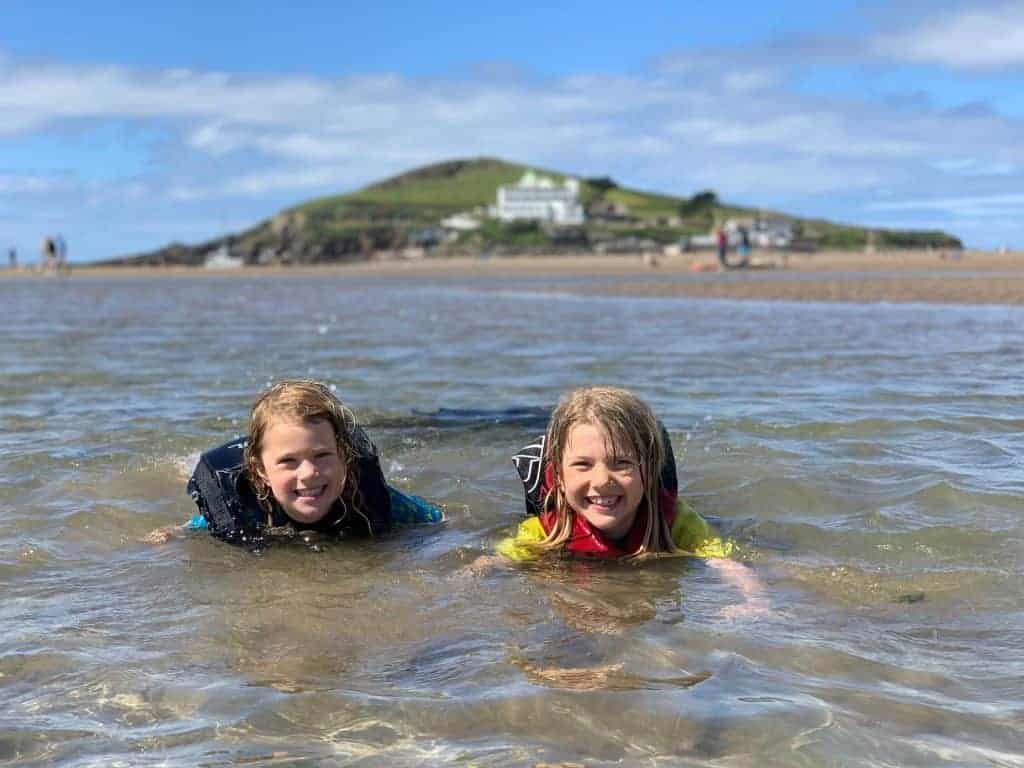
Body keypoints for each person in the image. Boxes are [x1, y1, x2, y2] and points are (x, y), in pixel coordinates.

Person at [499, 386, 766, 614]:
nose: (602, 480)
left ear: (649, 471)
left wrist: (754, 601)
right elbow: (493, 564)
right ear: (558, 475)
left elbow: (728, 565)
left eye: (622, 463)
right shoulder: (543, 531)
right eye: (583, 464)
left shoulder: (677, 523)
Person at [147, 379, 442, 549]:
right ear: (260, 471)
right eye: (289, 462)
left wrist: (481, 558)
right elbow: (200, 524)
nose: (309, 473)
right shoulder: (245, 504)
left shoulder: (367, 497)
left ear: (343, 456)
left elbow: (440, 520)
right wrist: (173, 533)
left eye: (322, 456)